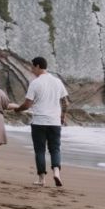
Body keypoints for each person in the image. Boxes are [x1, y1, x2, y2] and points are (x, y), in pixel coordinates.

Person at [14, 57, 69, 187]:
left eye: (32, 67)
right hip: (54, 122)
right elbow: (65, 102)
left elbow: (27, 104)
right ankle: (56, 172)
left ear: (38, 66)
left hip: (39, 121)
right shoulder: (57, 81)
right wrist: (63, 116)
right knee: (55, 149)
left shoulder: (35, 83)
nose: (32, 70)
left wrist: (18, 109)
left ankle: (41, 179)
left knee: (40, 150)